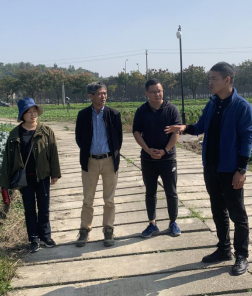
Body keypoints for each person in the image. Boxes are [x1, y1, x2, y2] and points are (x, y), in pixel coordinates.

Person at [165, 62, 252, 276]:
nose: (210, 82)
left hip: (230, 169)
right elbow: (201, 126)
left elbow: (246, 139)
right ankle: (224, 249)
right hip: (211, 167)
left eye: (214, 78)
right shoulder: (213, 103)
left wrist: (241, 170)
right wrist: (185, 128)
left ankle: (241, 255)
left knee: (237, 213)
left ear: (227, 80)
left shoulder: (241, 106)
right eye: (209, 78)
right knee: (217, 210)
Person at [0, 97, 61, 253]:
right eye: (29, 112)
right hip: (25, 179)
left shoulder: (46, 131)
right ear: (22, 115)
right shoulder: (15, 134)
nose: (33, 114)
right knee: (29, 209)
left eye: (34, 111)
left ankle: (46, 236)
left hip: (42, 176)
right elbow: (8, 159)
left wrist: (55, 173)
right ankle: (33, 239)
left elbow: (53, 154)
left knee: (44, 207)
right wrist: (5, 183)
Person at [75, 82, 123, 247]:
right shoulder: (83, 115)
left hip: (109, 161)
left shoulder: (114, 114)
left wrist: (112, 155)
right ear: (91, 96)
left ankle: (108, 229)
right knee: (88, 199)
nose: (103, 96)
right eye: (99, 94)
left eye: (105, 93)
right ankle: (84, 229)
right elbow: (79, 138)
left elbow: (118, 139)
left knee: (109, 199)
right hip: (90, 161)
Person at [133, 79, 182, 238]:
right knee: (150, 192)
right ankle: (152, 223)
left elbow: (176, 133)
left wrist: (165, 151)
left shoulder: (171, 109)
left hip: (168, 159)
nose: (157, 94)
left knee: (171, 192)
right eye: (153, 91)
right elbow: (136, 133)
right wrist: (147, 150)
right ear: (146, 93)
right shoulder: (141, 111)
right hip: (148, 160)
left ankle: (173, 222)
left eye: (159, 91)